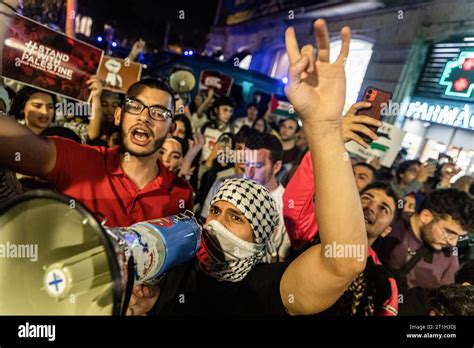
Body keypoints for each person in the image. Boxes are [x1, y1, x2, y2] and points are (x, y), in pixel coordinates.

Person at [127, 18, 368, 316]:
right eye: (215, 211)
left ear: (260, 236)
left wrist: (323, 127)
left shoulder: (265, 288)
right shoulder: (175, 266)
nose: (216, 224)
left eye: (235, 217)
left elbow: (343, 262)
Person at [0, 78, 193, 227]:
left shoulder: (181, 194)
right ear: (119, 116)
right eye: (134, 107)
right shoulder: (79, 159)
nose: (144, 118)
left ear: (171, 129)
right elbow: (14, 144)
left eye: (159, 113)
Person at [319, 182, 400, 316]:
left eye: (384, 209)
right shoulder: (316, 234)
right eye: (366, 198)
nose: (371, 207)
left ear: (387, 230)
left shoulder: (384, 282)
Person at [374, 189, 473, 290]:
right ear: (426, 217)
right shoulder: (388, 224)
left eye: (460, 236)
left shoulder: (449, 256)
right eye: (449, 232)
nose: (453, 243)